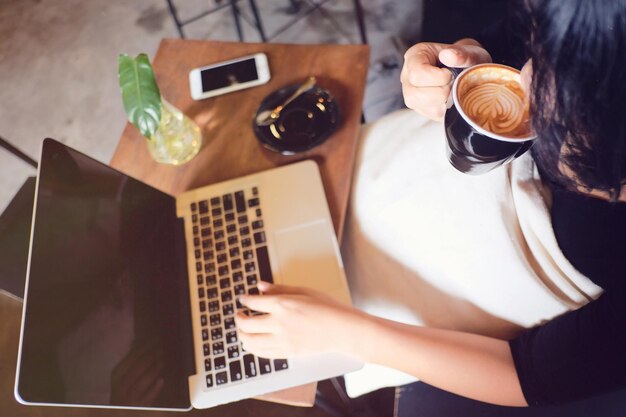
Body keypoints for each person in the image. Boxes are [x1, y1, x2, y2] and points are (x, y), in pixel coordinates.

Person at [235, 0, 626, 407]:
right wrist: (460, 57)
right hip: (387, 174)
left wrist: (341, 332)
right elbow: (512, 40)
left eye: (559, 92)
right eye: (542, 56)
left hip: (411, 308)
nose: (525, 78)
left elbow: (528, 375)